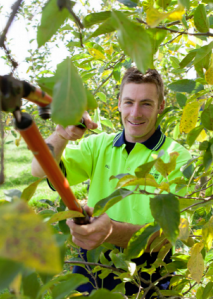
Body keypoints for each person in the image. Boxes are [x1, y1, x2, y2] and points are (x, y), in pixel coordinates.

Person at [31, 67, 191, 297]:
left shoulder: (178, 157)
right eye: (128, 102)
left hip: (150, 269)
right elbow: (39, 170)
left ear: (161, 106)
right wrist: (61, 136)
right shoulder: (99, 146)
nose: (135, 113)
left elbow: (172, 236)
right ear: (118, 103)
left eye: (146, 103)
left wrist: (112, 231)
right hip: (95, 260)